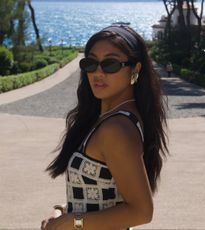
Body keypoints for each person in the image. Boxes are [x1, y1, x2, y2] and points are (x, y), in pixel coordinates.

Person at [41, 24, 168, 230]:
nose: (98, 72)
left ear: (135, 69)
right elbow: (109, 194)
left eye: (110, 64)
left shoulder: (116, 128)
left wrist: (73, 221)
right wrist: (63, 211)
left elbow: (141, 211)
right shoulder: (114, 118)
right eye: (91, 63)